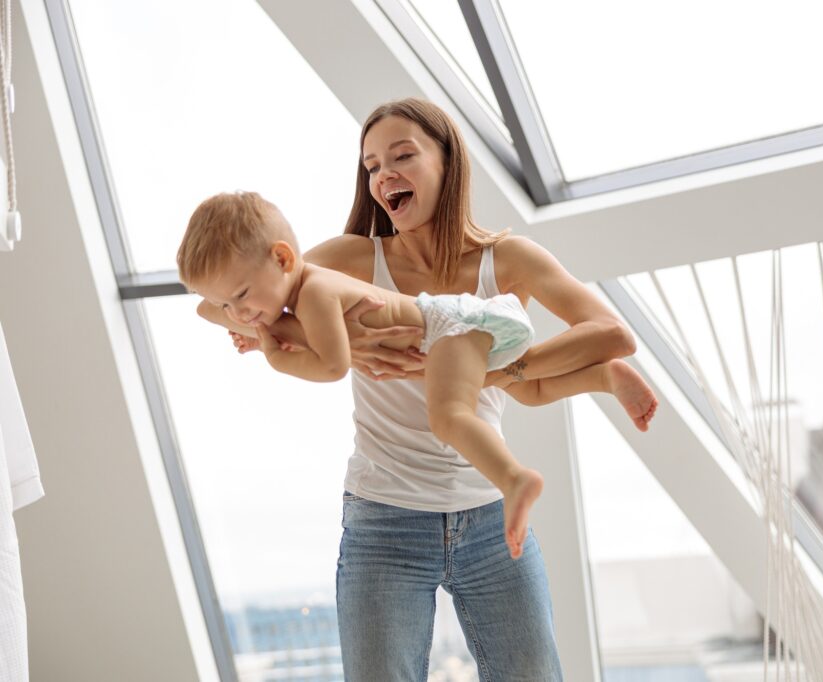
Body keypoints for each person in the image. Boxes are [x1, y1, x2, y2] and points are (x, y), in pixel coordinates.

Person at [196, 98, 643, 680]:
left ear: (447, 161)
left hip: (490, 519)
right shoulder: (352, 259)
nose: (384, 175)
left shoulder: (507, 260)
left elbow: (613, 334)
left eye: (402, 156)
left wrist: (490, 373)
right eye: (372, 165)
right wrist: (334, 344)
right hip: (384, 522)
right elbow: (216, 303)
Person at [177, 190, 657, 557]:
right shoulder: (305, 285)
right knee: (526, 390)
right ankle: (605, 378)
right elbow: (205, 309)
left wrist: (274, 352)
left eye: (241, 296)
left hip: (449, 328)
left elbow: (333, 364)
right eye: (228, 304)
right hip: (459, 327)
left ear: (282, 258)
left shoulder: (316, 292)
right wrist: (255, 319)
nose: (236, 313)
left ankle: (513, 479)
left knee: (448, 417)